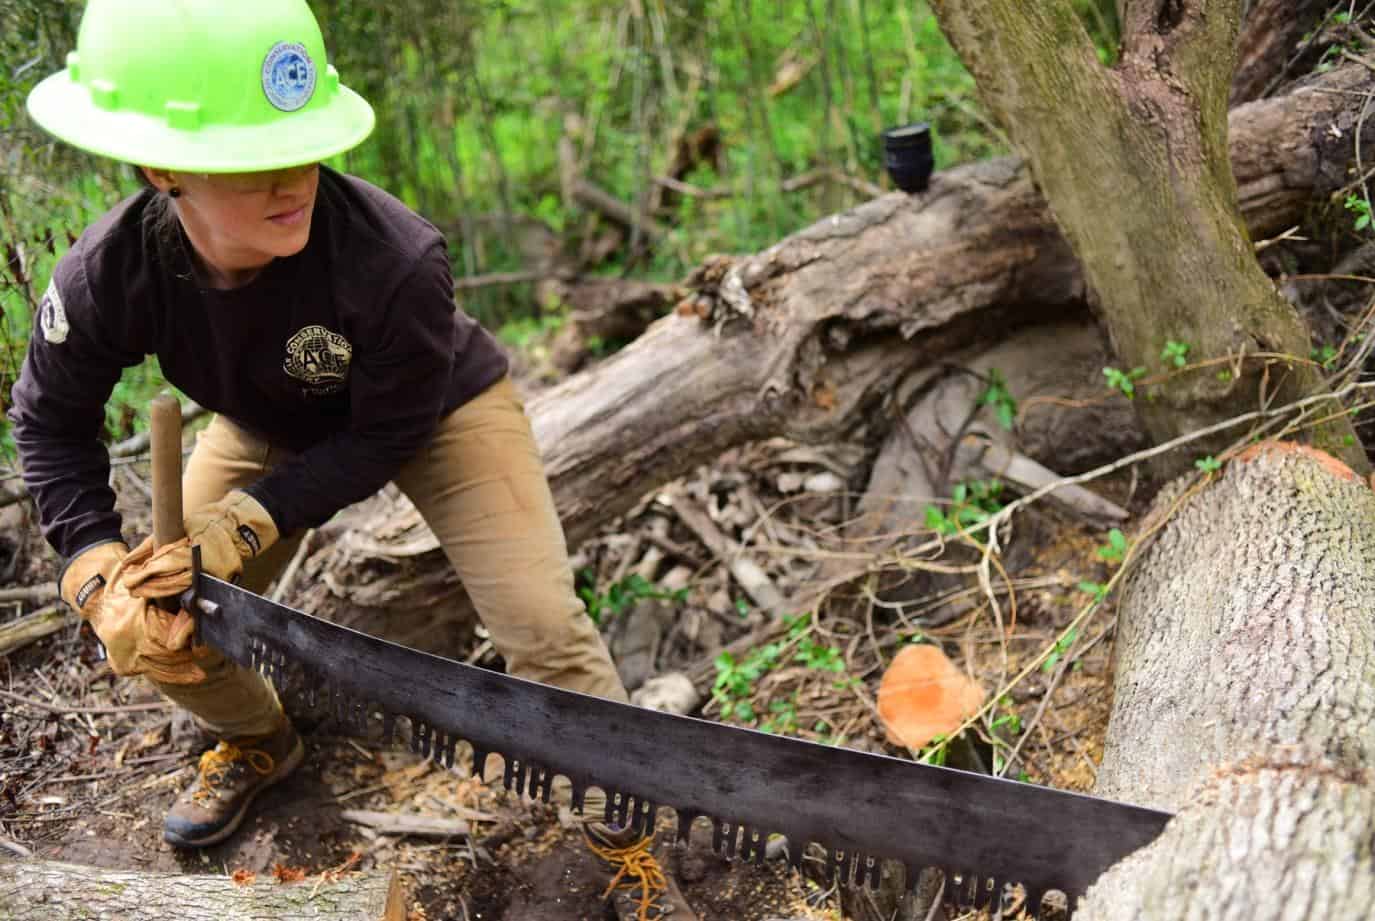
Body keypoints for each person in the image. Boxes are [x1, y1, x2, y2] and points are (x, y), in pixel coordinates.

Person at [13, 0, 628, 848]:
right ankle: (260, 741)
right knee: (170, 623)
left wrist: (251, 519)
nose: (292, 179)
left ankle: (623, 822)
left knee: (541, 625)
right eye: (253, 157)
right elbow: (48, 423)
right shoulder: (106, 275)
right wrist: (93, 570)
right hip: (265, 419)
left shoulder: (394, 258)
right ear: (161, 168)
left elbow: (388, 430)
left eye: (304, 147)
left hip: (436, 414)